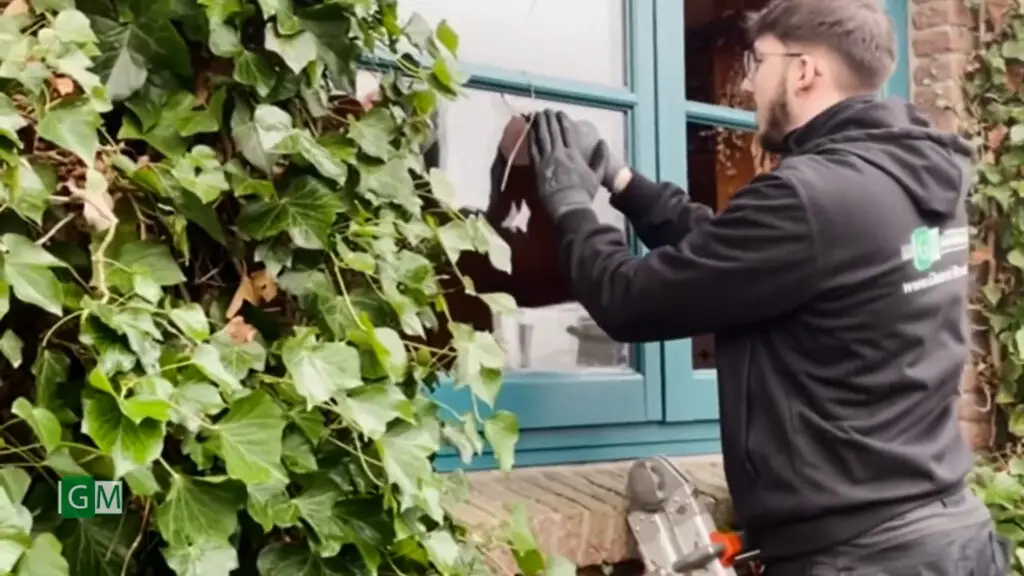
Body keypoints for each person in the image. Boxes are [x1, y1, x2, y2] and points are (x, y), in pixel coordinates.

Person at [522, 0, 1009, 573]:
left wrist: (571, 204)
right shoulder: (911, 177)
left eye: (757, 62)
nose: (747, 85)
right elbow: (742, 256)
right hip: (952, 540)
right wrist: (620, 179)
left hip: (864, 558)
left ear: (804, 71)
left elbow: (630, 300)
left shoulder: (811, 195)